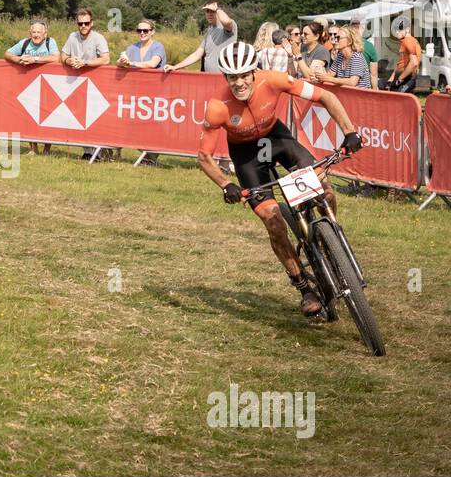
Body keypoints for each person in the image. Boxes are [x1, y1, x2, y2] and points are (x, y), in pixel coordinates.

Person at [197, 41, 363, 316]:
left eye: (243, 75)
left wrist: (349, 131)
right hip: (247, 154)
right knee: (273, 221)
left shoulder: (273, 80)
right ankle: (304, 288)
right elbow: (204, 156)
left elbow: (325, 97)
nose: (239, 83)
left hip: (277, 139)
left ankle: (329, 237)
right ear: (225, 77)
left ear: (254, 72)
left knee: (324, 189)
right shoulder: (218, 106)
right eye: (232, 77)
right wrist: (227, 185)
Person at [62, 9, 112, 161]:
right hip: (77, 83)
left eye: (86, 23)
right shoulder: (72, 36)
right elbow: (63, 55)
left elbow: (106, 59)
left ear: (92, 23)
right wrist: (69, 61)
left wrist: (85, 63)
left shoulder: (99, 38)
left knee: (96, 117)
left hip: (96, 83)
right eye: (80, 23)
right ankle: (88, 151)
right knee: (80, 117)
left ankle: (100, 150)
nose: (83, 26)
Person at [5, 20, 60, 155]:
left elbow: (56, 58)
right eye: (33, 32)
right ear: (30, 33)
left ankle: (47, 149)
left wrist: (34, 59)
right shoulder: (24, 43)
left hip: (49, 87)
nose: (36, 35)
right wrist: (18, 59)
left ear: (45, 34)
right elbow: (7, 53)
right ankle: (33, 148)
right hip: (28, 86)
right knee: (28, 116)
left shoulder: (50, 42)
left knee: (48, 116)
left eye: (39, 32)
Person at [119, 19, 168, 165]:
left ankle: (151, 157)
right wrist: (122, 62)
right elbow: (119, 62)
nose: (142, 33)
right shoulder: (132, 47)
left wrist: (131, 64)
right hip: (137, 94)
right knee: (132, 124)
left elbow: (152, 64)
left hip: (155, 93)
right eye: (139, 30)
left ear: (152, 32)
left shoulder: (158, 46)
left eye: (145, 30)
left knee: (154, 126)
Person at [166, 0, 237, 72]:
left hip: (224, 77)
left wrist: (217, 9)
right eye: (207, 11)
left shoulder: (230, 25)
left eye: (212, 11)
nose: (209, 14)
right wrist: (175, 67)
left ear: (219, 11)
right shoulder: (209, 30)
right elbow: (198, 53)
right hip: (209, 77)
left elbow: (226, 21)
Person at [382, 20, 421, 92]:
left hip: (407, 78)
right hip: (402, 77)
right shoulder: (405, 41)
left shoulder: (408, 41)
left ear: (407, 29)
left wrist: (400, 79)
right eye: (396, 29)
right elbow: (400, 62)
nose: (397, 32)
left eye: (400, 28)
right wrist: (391, 79)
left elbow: (414, 63)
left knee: (399, 99)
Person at [351, 17, 379, 87]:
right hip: (362, 88)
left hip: (345, 86)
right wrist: (375, 91)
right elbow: (373, 75)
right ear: (363, 27)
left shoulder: (343, 42)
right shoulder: (369, 46)